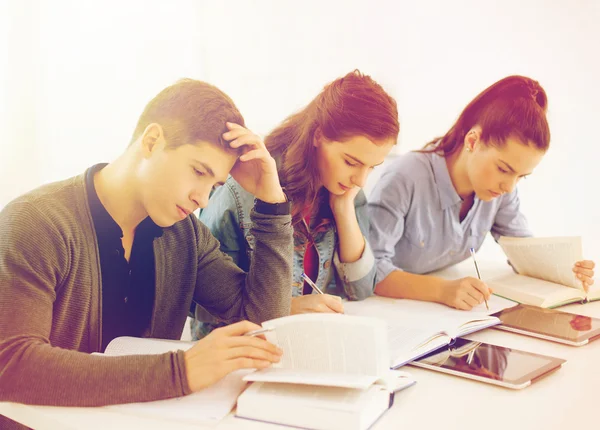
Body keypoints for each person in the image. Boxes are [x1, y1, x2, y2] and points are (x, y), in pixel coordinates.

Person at [0, 79, 293, 429]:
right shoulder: (36, 221)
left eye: (214, 185)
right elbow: (11, 365)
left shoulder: (186, 236)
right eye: (199, 171)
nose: (203, 198)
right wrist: (179, 372)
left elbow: (262, 320)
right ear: (152, 141)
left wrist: (272, 204)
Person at [192, 70, 399, 339]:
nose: (360, 179)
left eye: (372, 167)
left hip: (304, 342)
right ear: (318, 136)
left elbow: (360, 288)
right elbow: (202, 307)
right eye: (351, 162)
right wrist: (284, 309)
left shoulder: (345, 189)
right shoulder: (242, 192)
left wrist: (344, 209)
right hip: (241, 347)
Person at [368, 75, 595, 310]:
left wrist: (564, 269)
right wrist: (442, 290)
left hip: (436, 314)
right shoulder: (405, 178)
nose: (509, 186)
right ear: (473, 141)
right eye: (503, 169)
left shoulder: (500, 191)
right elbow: (369, 271)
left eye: (521, 176)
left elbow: (523, 251)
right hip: (386, 310)